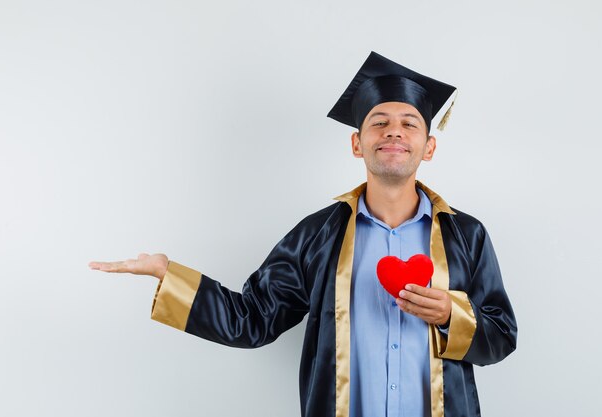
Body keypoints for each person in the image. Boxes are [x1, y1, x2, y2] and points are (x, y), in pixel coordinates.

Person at [89, 51, 517, 417]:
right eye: (379, 121)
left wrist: (450, 316)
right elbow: (252, 318)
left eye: (410, 123)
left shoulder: (466, 235)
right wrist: (169, 276)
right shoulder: (319, 236)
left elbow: (502, 336)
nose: (394, 131)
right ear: (356, 143)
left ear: (428, 147)